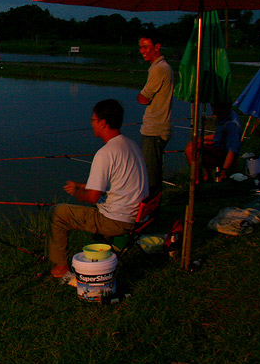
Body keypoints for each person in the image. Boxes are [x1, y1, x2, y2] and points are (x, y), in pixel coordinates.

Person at [47, 99, 149, 278]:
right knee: (95, 203)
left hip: (118, 221)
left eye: (93, 120)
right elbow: (118, 182)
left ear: (102, 122)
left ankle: (61, 268)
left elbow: (93, 197)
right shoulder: (131, 144)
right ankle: (110, 248)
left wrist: (77, 192)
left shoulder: (105, 153)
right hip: (139, 215)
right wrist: (83, 185)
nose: (91, 124)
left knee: (58, 213)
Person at [136, 33, 173, 195]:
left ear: (157, 47)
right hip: (155, 128)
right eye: (140, 47)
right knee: (151, 171)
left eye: (145, 47)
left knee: (150, 176)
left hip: (155, 130)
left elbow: (143, 98)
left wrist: (141, 96)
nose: (142, 51)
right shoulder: (159, 67)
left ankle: (151, 211)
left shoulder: (159, 69)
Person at [185, 102, 241, 182]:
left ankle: (197, 180)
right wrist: (202, 139)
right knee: (195, 143)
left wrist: (224, 172)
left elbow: (232, 151)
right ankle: (207, 176)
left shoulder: (231, 125)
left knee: (191, 149)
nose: (212, 111)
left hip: (222, 155)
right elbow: (221, 135)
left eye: (214, 108)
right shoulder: (227, 116)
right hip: (219, 147)